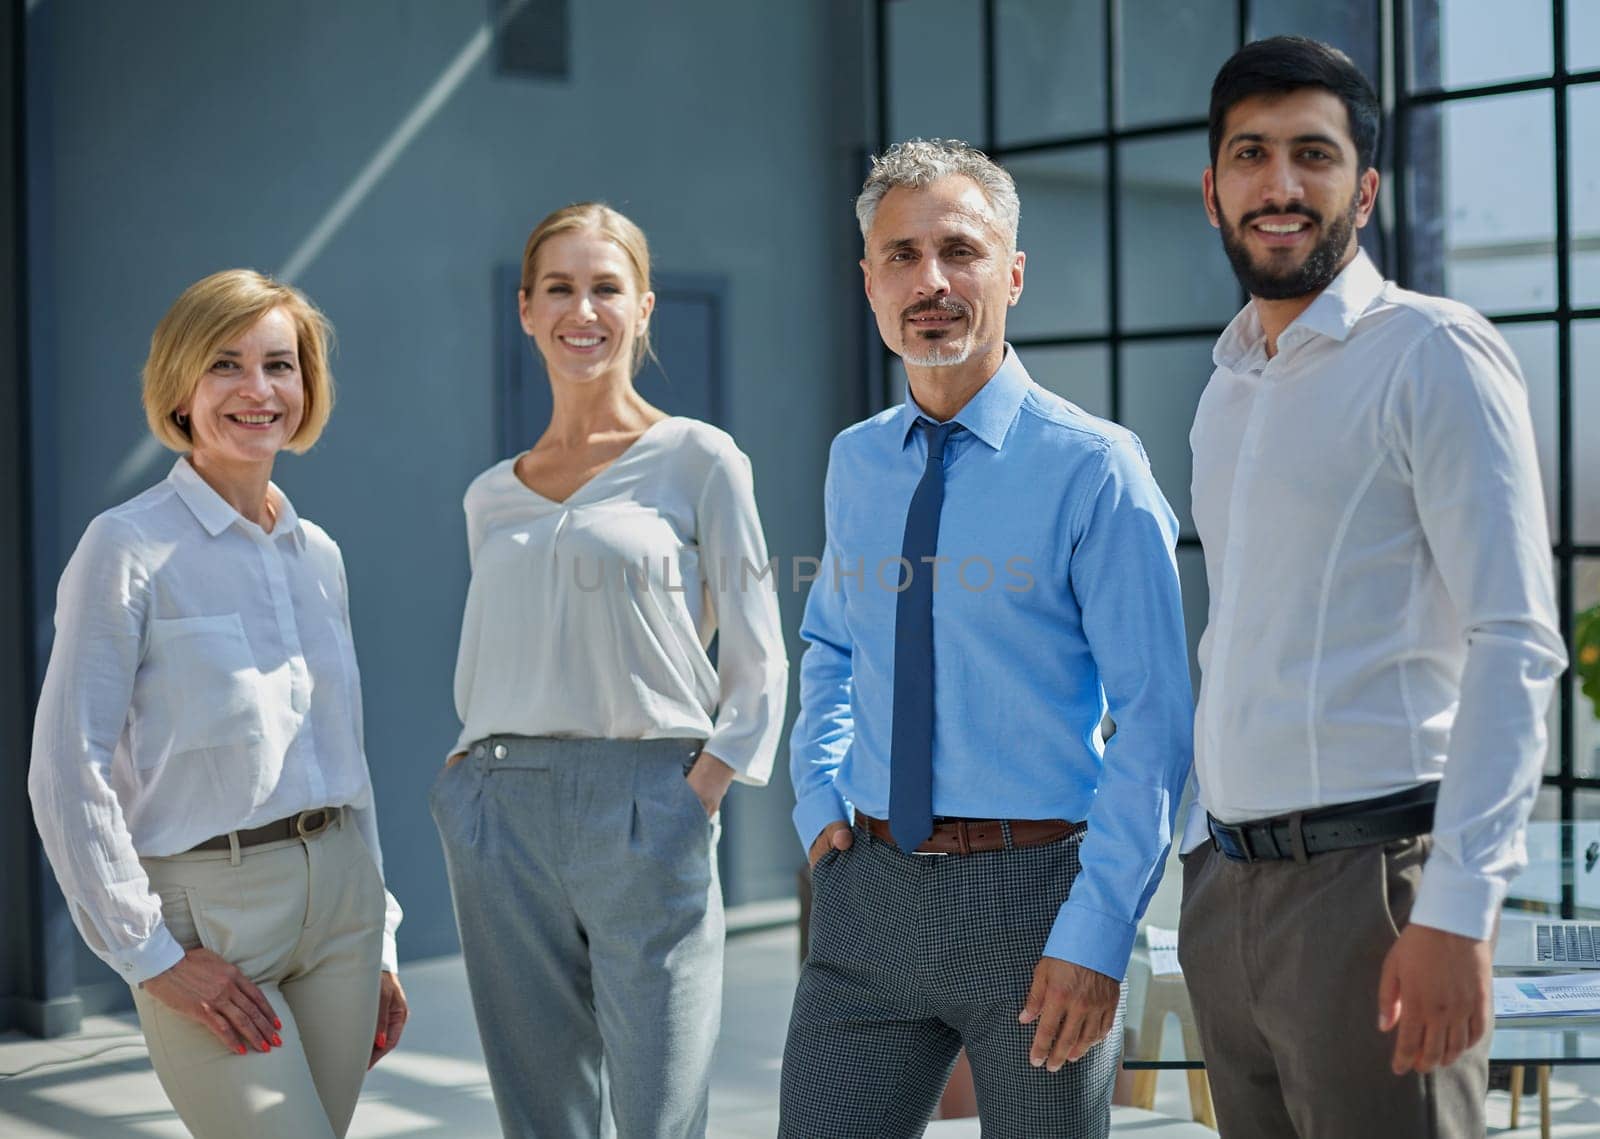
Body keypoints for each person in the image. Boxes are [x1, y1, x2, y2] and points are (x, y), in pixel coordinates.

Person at [1178, 36, 1568, 1138]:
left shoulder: (1431, 353)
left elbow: (1513, 639)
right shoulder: (1226, 390)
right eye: (1251, 155)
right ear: (1213, 192)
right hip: (1226, 892)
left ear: (1367, 186)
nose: (1281, 184)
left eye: (1314, 153)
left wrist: (1457, 907)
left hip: (1371, 891)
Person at [780, 139, 1193, 1139]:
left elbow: (1155, 720)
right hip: (867, 889)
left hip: (1037, 894)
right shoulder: (856, 461)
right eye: (901, 254)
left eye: (959, 250)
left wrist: (1098, 932)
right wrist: (815, 797)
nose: (930, 280)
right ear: (870, 282)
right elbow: (831, 645)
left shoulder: (1096, 468)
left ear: (1010, 273)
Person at [433, 201, 788, 1139]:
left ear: (642, 309)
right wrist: (464, 786)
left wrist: (699, 789)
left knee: (659, 1106)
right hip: (499, 805)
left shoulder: (699, 459)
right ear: (524, 308)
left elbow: (758, 651)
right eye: (559, 287)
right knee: (540, 1107)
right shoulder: (488, 495)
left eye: (604, 287)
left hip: (648, 797)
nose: (580, 309)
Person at [28, 269, 407, 1139]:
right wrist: (149, 954)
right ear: (181, 387)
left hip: (341, 904)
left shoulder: (319, 554)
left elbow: (345, 759)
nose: (258, 389)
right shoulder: (125, 546)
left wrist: (378, 936)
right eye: (226, 364)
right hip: (210, 916)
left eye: (280, 364)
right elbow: (65, 768)